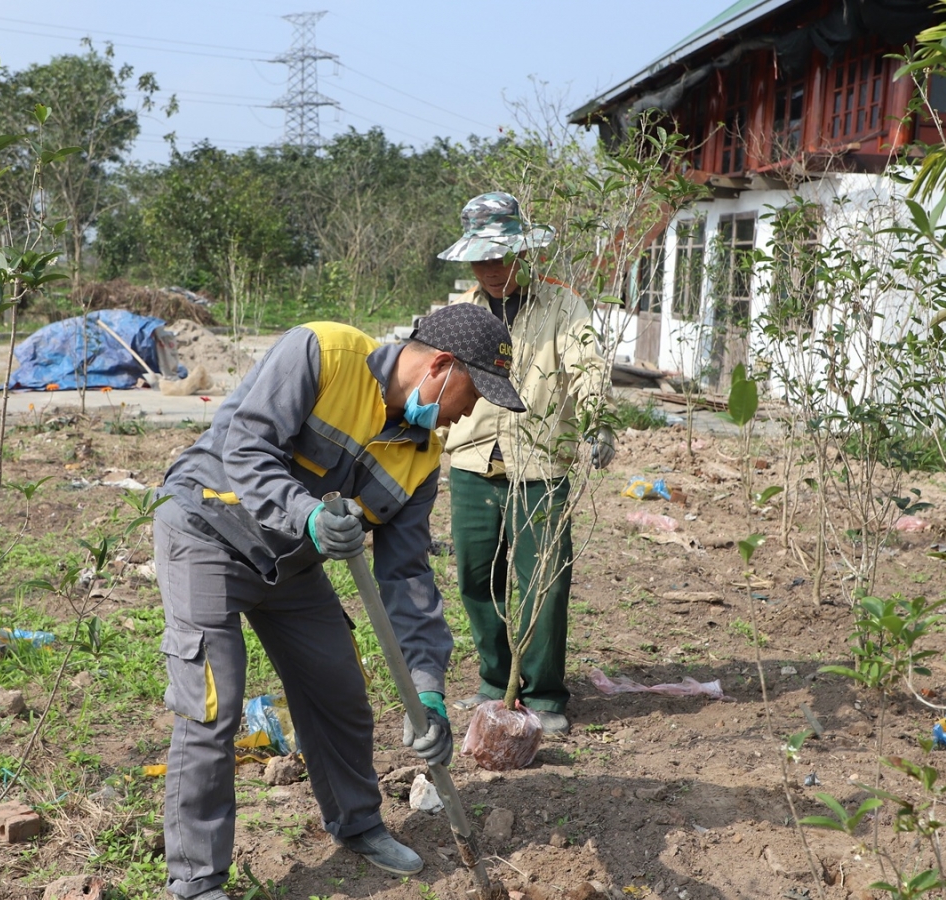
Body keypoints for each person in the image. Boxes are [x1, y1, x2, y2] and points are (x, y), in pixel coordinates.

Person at [153, 303, 525, 900]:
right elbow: (247, 448)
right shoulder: (324, 353)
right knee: (212, 705)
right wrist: (307, 516)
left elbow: (406, 576)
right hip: (208, 528)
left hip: (292, 566)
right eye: (475, 392)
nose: (471, 411)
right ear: (442, 367)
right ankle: (196, 881)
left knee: (340, 690)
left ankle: (358, 823)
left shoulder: (422, 456)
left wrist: (426, 687)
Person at [438, 192, 613, 737]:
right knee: (475, 575)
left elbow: (587, 364)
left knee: (543, 581)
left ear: (523, 253)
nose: (491, 270)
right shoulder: (461, 311)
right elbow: (439, 379)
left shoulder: (564, 306)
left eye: (501, 257)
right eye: (481, 259)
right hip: (472, 459)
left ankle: (541, 691)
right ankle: (496, 681)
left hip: (539, 462)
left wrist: (597, 419)